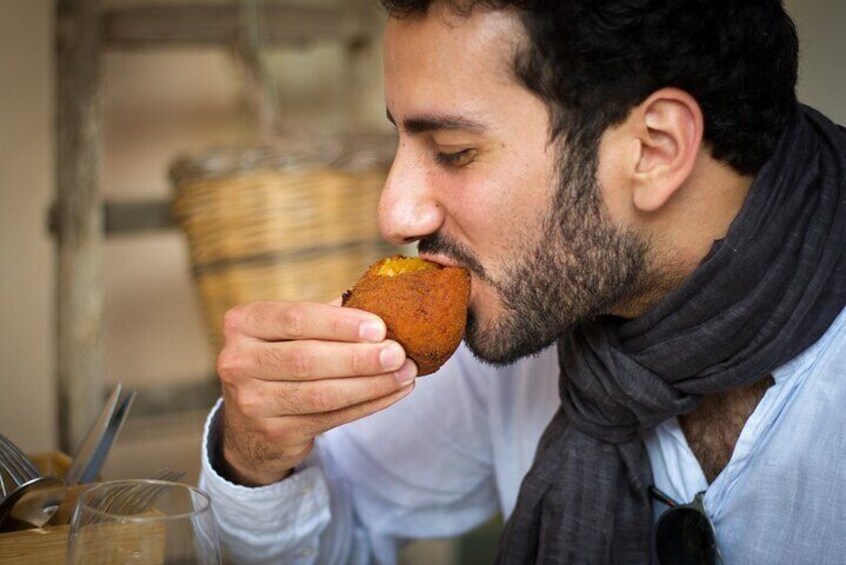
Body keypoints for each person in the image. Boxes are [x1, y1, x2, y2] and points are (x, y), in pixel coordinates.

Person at [198, 1, 846, 563]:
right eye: (401, 141)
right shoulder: (527, 299)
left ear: (655, 149)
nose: (394, 213)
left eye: (452, 150)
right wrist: (255, 453)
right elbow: (337, 533)